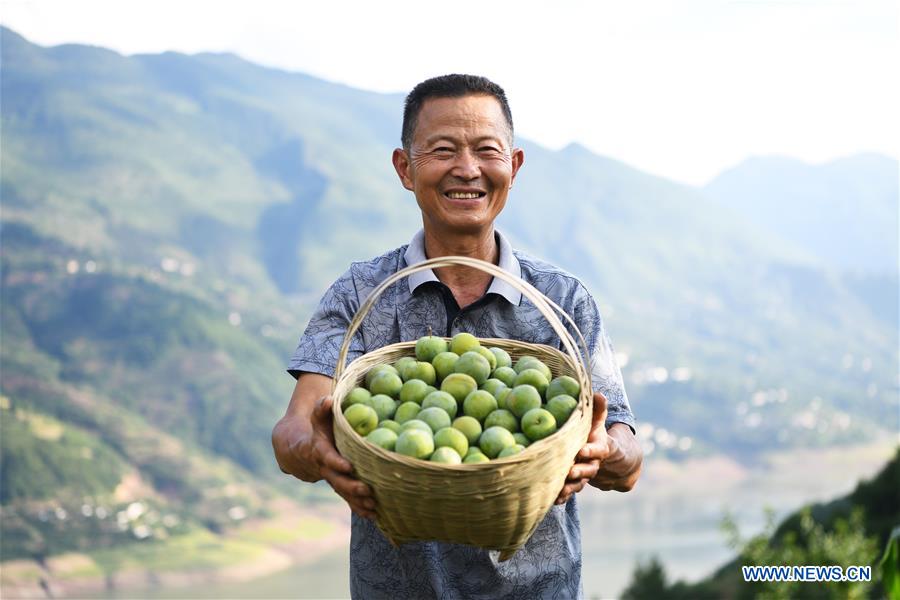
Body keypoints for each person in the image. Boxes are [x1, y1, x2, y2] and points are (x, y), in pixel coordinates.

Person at [272, 74, 643, 599]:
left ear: (512, 167)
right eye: (443, 150)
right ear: (406, 168)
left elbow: (627, 455)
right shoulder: (362, 293)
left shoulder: (564, 300)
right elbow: (291, 432)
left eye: (486, 150)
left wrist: (606, 451)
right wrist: (315, 449)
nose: (467, 169)